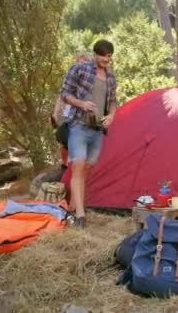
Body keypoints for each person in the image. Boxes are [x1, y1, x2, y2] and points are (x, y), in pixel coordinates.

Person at [59, 40, 118, 228]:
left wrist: (111, 116)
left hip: (97, 130)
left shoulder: (111, 78)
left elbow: (114, 102)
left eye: (109, 56)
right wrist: (81, 104)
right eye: (103, 55)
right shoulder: (80, 69)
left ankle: (72, 207)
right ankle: (80, 215)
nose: (106, 59)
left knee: (86, 169)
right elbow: (65, 94)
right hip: (78, 125)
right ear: (95, 54)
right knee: (77, 165)